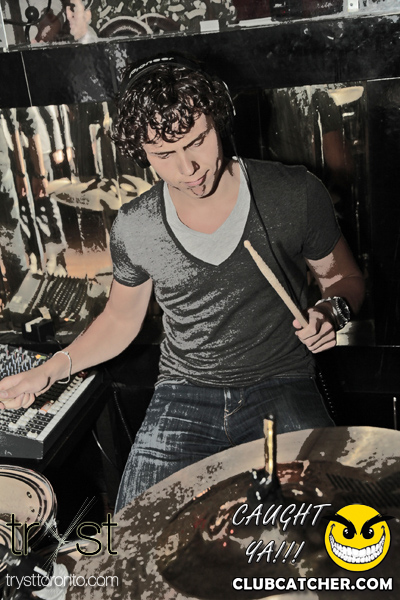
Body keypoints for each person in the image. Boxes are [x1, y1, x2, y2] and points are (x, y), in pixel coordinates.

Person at [0, 58, 365, 512]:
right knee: (135, 534)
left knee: (319, 529)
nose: (188, 167)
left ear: (219, 120)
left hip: (281, 381)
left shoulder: (293, 192)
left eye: (198, 141)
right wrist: (52, 369)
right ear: (141, 151)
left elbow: (344, 279)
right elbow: (120, 320)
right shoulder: (136, 226)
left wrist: (332, 312)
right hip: (183, 393)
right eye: (164, 154)